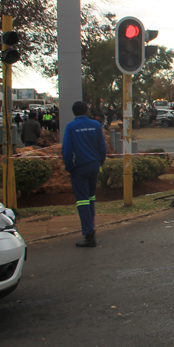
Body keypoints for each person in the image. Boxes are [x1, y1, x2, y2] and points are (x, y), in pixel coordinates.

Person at [62, 101, 107, 248]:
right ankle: (90, 228)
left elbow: (67, 150)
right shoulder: (95, 125)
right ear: (87, 110)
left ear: (74, 112)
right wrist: (99, 162)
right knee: (91, 198)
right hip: (94, 165)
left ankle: (89, 234)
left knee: (82, 201)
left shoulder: (71, 127)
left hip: (79, 168)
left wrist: (70, 167)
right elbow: (102, 146)